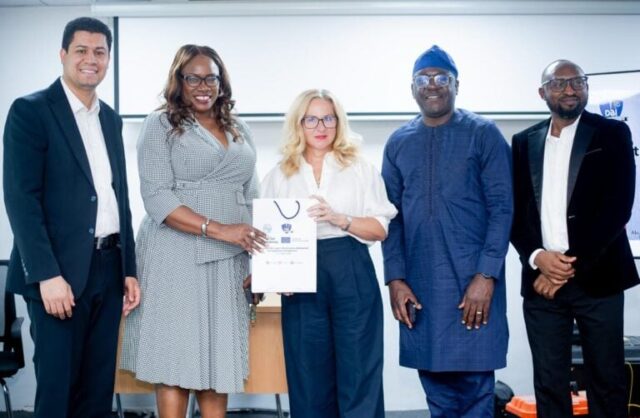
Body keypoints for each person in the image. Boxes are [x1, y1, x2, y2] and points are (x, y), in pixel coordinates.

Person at [2, 17, 140, 418]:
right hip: (58, 275)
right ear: (63, 54)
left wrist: (129, 268)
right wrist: (46, 275)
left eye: (99, 52)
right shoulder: (31, 112)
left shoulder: (110, 118)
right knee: (58, 392)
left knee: (97, 393)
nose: (90, 59)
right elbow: (21, 200)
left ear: (109, 59)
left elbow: (119, 198)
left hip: (108, 270)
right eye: (81, 50)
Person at [119, 44, 266, 418]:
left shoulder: (240, 127)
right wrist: (220, 230)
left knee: (219, 361)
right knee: (176, 359)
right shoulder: (160, 124)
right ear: (179, 81)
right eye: (194, 78)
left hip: (229, 260)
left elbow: (254, 198)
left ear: (221, 82)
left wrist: (262, 267)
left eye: (211, 78)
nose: (204, 86)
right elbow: (156, 197)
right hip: (174, 254)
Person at [381, 45, 513, 417]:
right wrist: (395, 279)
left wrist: (486, 276)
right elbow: (390, 217)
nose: (433, 85)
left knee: (475, 391)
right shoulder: (399, 142)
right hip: (421, 284)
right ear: (412, 88)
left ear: (457, 85)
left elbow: (503, 209)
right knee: (436, 392)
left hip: (473, 280)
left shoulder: (483, 134)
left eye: (442, 78)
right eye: (423, 79)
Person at [510, 59, 639, 418]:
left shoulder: (612, 133)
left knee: (606, 380)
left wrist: (564, 268)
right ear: (542, 93)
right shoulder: (522, 142)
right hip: (541, 284)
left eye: (577, 82)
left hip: (598, 279)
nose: (570, 89)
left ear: (586, 87)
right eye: (559, 83)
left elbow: (617, 208)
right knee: (548, 382)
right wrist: (537, 257)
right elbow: (515, 212)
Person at [261, 89, 397, 418]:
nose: (320, 127)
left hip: (351, 267)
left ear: (339, 122)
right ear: (298, 124)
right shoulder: (279, 174)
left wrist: (340, 218)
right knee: (308, 376)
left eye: (328, 119)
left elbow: (380, 229)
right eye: (311, 119)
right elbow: (266, 235)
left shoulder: (360, 168)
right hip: (300, 278)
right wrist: (277, 275)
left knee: (359, 370)